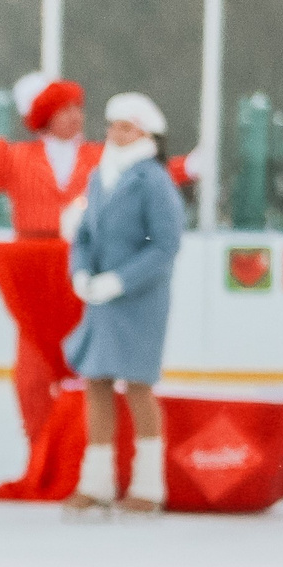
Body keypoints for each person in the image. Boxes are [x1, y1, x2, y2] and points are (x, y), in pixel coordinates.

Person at [0, 75, 207, 441]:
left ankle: (80, 450)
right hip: (34, 268)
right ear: (45, 116)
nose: (75, 117)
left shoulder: (102, 156)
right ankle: (41, 448)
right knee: (32, 371)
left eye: (78, 109)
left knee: (88, 364)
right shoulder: (15, 156)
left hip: (85, 264)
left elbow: (149, 177)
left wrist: (187, 168)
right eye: (65, 110)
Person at [63, 93, 184, 516]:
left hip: (139, 301)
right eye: (113, 125)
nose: (115, 133)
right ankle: (96, 483)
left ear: (146, 134)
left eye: (126, 127)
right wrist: (80, 272)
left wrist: (120, 280)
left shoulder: (153, 180)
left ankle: (149, 487)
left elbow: (165, 245)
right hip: (100, 299)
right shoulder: (101, 176)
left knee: (137, 386)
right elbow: (84, 237)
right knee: (95, 381)